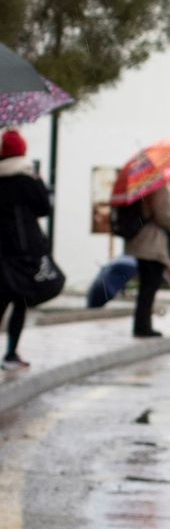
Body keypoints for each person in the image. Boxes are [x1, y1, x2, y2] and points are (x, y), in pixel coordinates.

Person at [0, 129, 50, 370]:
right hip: (23, 252)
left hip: (1, 252)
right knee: (20, 301)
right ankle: (11, 353)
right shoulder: (26, 179)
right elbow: (43, 208)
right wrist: (39, 180)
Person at [126, 181, 170, 338]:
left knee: (146, 286)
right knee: (149, 286)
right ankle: (143, 326)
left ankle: (142, 324)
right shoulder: (155, 185)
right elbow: (164, 215)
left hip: (140, 241)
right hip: (152, 243)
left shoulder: (139, 185)